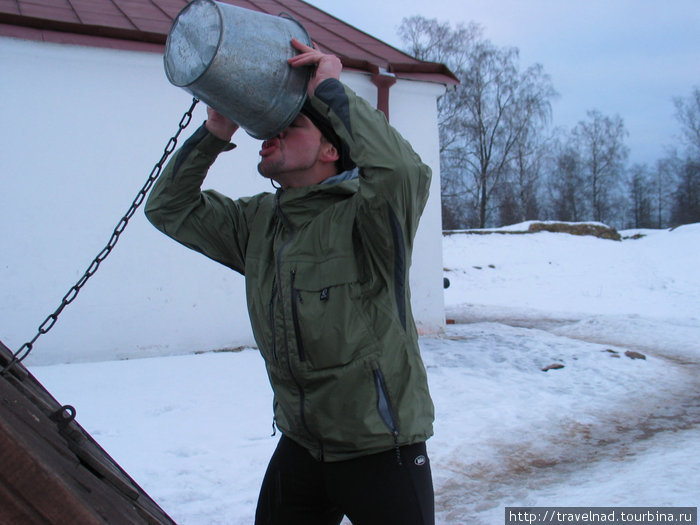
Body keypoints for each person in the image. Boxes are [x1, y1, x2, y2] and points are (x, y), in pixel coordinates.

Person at [145, 38, 435, 525]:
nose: (270, 135)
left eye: (290, 126)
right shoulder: (259, 223)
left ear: (329, 148)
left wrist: (330, 92)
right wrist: (215, 132)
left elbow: (402, 170)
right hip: (303, 445)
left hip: (380, 448)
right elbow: (169, 207)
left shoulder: (370, 219)